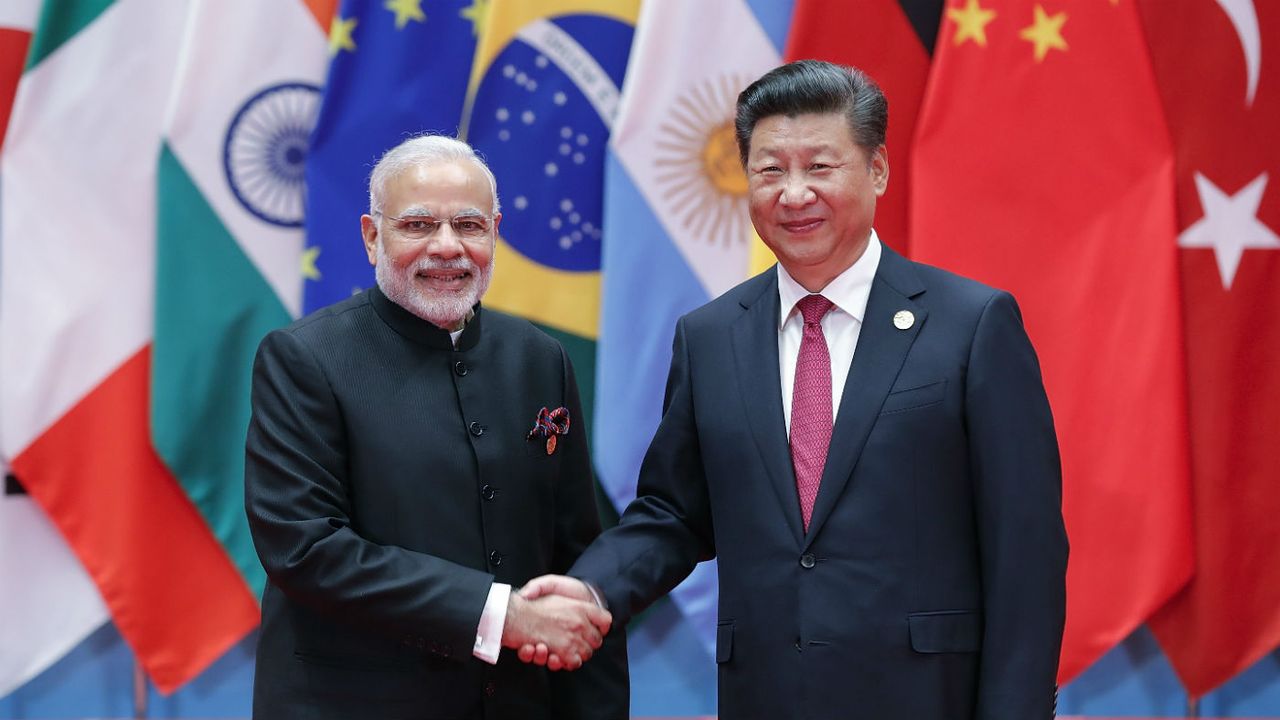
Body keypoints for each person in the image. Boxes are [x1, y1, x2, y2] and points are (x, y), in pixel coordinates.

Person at [521, 60, 1068, 719]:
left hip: (927, 697)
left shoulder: (971, 325)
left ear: (878, 170)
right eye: (770, 170)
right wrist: (590, 589)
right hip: (765, 694)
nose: (794, 193)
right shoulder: (710, 336)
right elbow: (674, 514)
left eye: (820, 167)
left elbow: (1026, 550)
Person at [244, 135, 628, 719]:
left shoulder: (539, 358)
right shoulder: (304, 359)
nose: (447, 248)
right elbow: (307, 549)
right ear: (373, 236)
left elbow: (574, 555)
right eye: (418, 225)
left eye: (469, 226)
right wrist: (502, 615)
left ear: (495, 232)